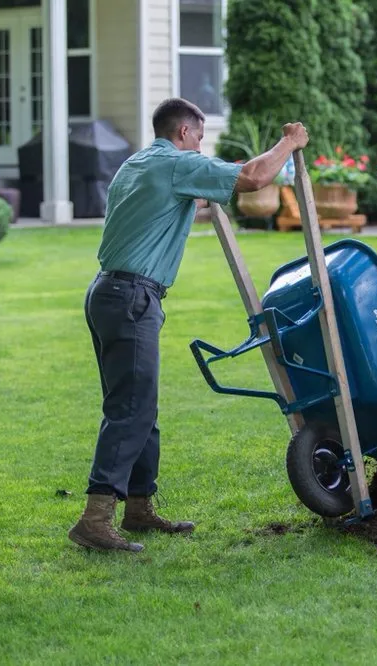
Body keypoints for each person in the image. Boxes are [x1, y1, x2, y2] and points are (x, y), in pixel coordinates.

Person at [68, 98, 310, 552]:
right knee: (131, 410)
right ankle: (95, 517)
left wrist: (260, 169)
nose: (200, 147)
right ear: (184, 133)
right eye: (199, 137)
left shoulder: (137, 166)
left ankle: (139, 508)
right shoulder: (177, 165)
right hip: (132, 298)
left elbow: (215, 184)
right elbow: (253, 178)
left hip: (107, 294)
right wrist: (289, 142)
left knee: (140, 407)